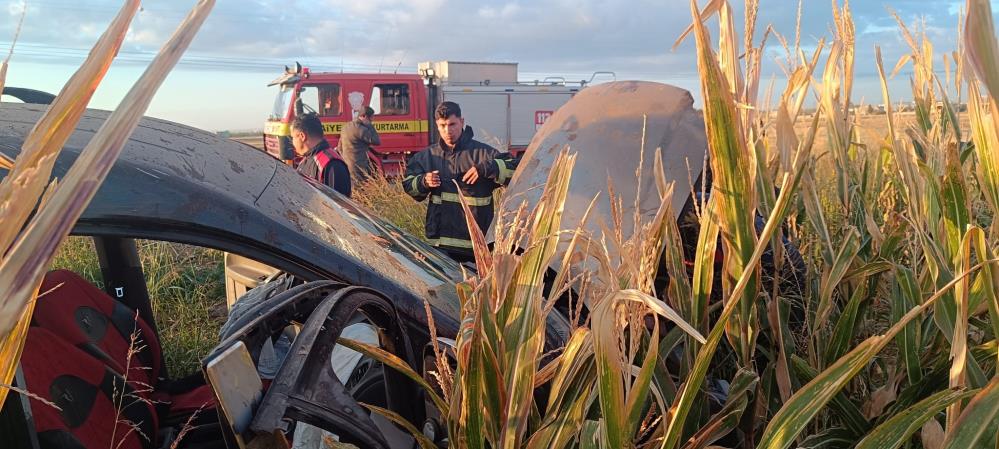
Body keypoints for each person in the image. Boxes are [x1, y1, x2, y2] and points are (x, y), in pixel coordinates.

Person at [403, 101, 517, 263]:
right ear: (437, 125)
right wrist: (423, 182)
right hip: (440, 246)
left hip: (476, 246)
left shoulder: (484, 154)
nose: (448, 131)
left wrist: (488, 168)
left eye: (452, 124)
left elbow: (516, 172)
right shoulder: (427, 157)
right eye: (442, 125)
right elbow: (409, 186)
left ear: (462, 122)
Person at [291, 112, 352, 197]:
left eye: (293, 137)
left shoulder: (332, 165)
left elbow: (338, 206)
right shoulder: (305, 161)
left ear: (302, 136)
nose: (292, 142)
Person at [339, 106, 381, 184]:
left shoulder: (345, 127)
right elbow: (377, 141)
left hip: (347, 166)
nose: (372, 121)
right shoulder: (361, 129)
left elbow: (339, 148)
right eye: (371, 118)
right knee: (360, 191)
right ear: (364, 116)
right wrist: (370, 126)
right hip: (359, 167)